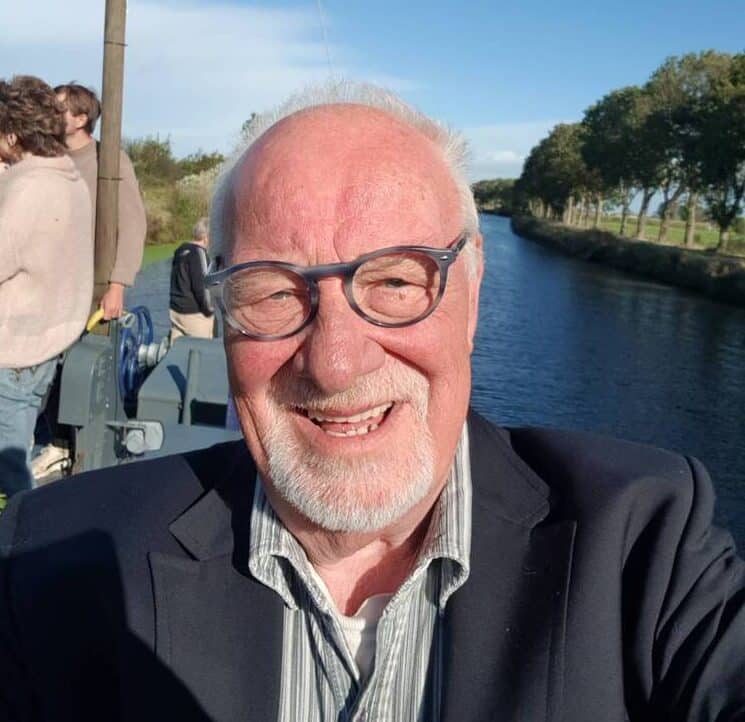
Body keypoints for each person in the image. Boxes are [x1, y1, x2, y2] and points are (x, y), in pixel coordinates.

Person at [1, 82, 743, 721]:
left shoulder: (647, 546)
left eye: (394, 281)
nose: (334, 363)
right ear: (223, 311)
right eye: (272, 291)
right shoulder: (55, 559)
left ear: (473, 292)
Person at [0, 76, 92, 499]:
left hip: (14, 349)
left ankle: (24, 530)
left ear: (12, 134)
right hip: (46, 342)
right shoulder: (68, 176)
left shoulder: (27, 187)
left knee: (10, 465)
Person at [54, 82, 146, 323]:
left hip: (88, 295)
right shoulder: (46, 158)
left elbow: (133, 227)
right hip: (45, 290)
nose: (49, 114)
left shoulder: (111, 161)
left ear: (81, 119)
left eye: (58, 109)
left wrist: (117, 287)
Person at [169, 216, 214, 340]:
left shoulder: (181, 250)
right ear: (206, 237)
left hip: (176, 311)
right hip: (194, 315)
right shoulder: (199, 253)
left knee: (177, 349)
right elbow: (202, 287)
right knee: (202, 350)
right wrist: (209, 310)